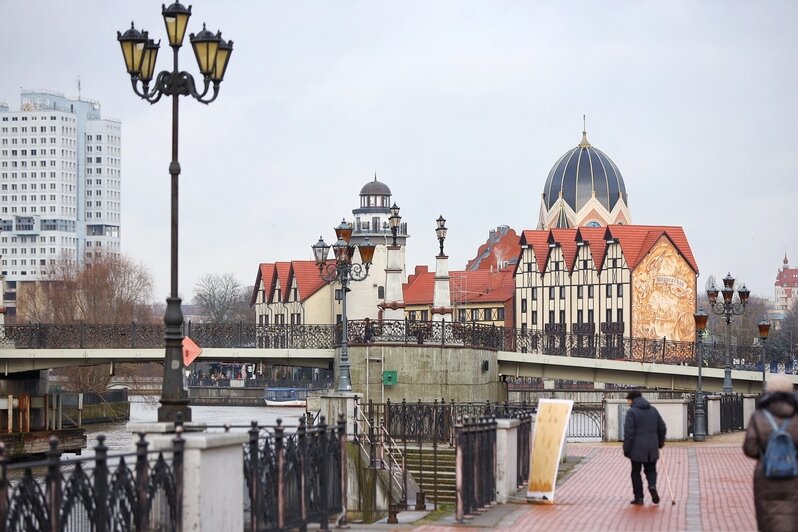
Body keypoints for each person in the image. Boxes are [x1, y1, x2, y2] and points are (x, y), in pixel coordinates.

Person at [742, 374, 798, 531]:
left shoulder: (759, 416)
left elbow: (750, 448)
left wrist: (768, 455)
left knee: (768, 516)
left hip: (766, 474)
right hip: (794, 475)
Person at [623, 390, 667, 505]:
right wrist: (660, 442)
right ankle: (652, 486)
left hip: (636, 448)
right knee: (651, 470)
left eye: (628, 400)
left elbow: (629, 433)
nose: (628, 402)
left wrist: (626, 449)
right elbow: (662, 427)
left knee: (636, 472)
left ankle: (639, 497)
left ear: (632, 400)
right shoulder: (653, 410)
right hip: (652, 447)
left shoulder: (632, 412)